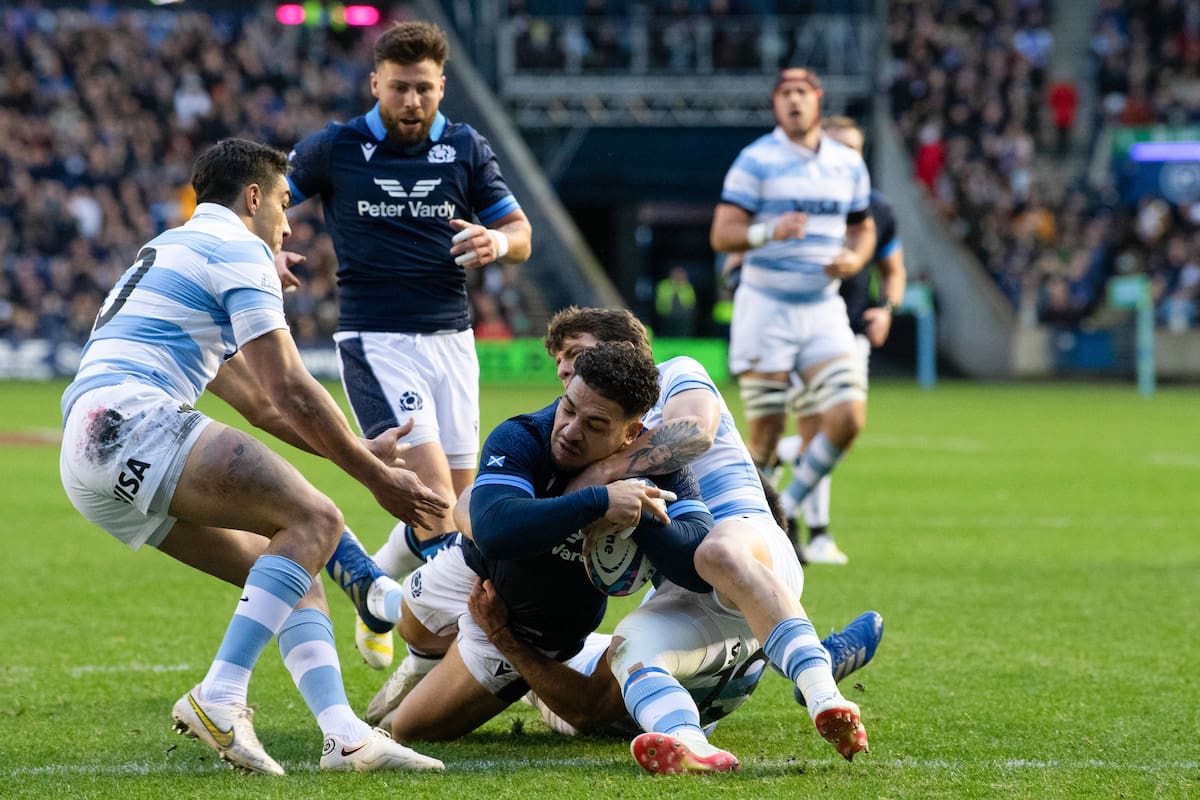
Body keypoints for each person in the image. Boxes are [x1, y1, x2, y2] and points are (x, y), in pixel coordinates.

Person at [58, 138, 447, 776]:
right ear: (255, 196)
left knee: (295, 567)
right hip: (133, 421)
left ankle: (345, 737)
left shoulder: (171, 249)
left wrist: (355, 446)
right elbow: (291, 387)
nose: (289, 225)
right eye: (286, 205)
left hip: (88, 451)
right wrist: (374, 475)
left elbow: (265, 408)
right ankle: (219, 694)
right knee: (317, 521)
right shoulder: (239, 249)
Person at [283, 20, 533, 670]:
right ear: (375, 84)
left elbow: (522, 231)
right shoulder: (335, 148)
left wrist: (498, 242)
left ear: (443, 86)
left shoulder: (467, 147)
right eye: (400, 89)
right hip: (377, 339)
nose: (413, 103)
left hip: (454, 342)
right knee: (436, 513)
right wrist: (265, 244)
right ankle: (448, 663)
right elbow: (265, 196)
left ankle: (375, 593)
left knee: (456, 508)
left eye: (424, 89)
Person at [328, 340, 716, 743]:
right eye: (568, 408)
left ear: (631, 433)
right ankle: (411, 640)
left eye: (595, 425)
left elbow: (697, 566)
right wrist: (597, 499)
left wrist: (635, 512)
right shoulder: (524, 434)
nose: (569, 431)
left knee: (407, 729)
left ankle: (526, 679)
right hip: (472, 564)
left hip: (527, 624)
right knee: (412, 627)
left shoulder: (657, 468)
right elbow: (495, 531)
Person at [709, 67, 877, 559]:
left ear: (818, 100)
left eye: (803, 93)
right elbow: (723, 233)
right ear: (776, 105)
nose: (795, 102)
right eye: (785, 95)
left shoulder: (847, 164)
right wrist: (768, 232)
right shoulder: (755, 160)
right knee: (765, 432)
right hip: (766, 305)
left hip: (822, 307)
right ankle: (744, 532)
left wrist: (855, 258)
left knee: (847, 418)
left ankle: (784, 512)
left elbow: (864, 227)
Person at [774, 115, 908, 565]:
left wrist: (886, 310)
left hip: (852, 334)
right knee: (822, 430)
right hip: (802, 332)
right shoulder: (796, 206)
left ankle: (772, 462)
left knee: (840, 434)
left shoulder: (878, 210)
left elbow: (894, 270)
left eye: (852, 150)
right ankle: (814, 531)